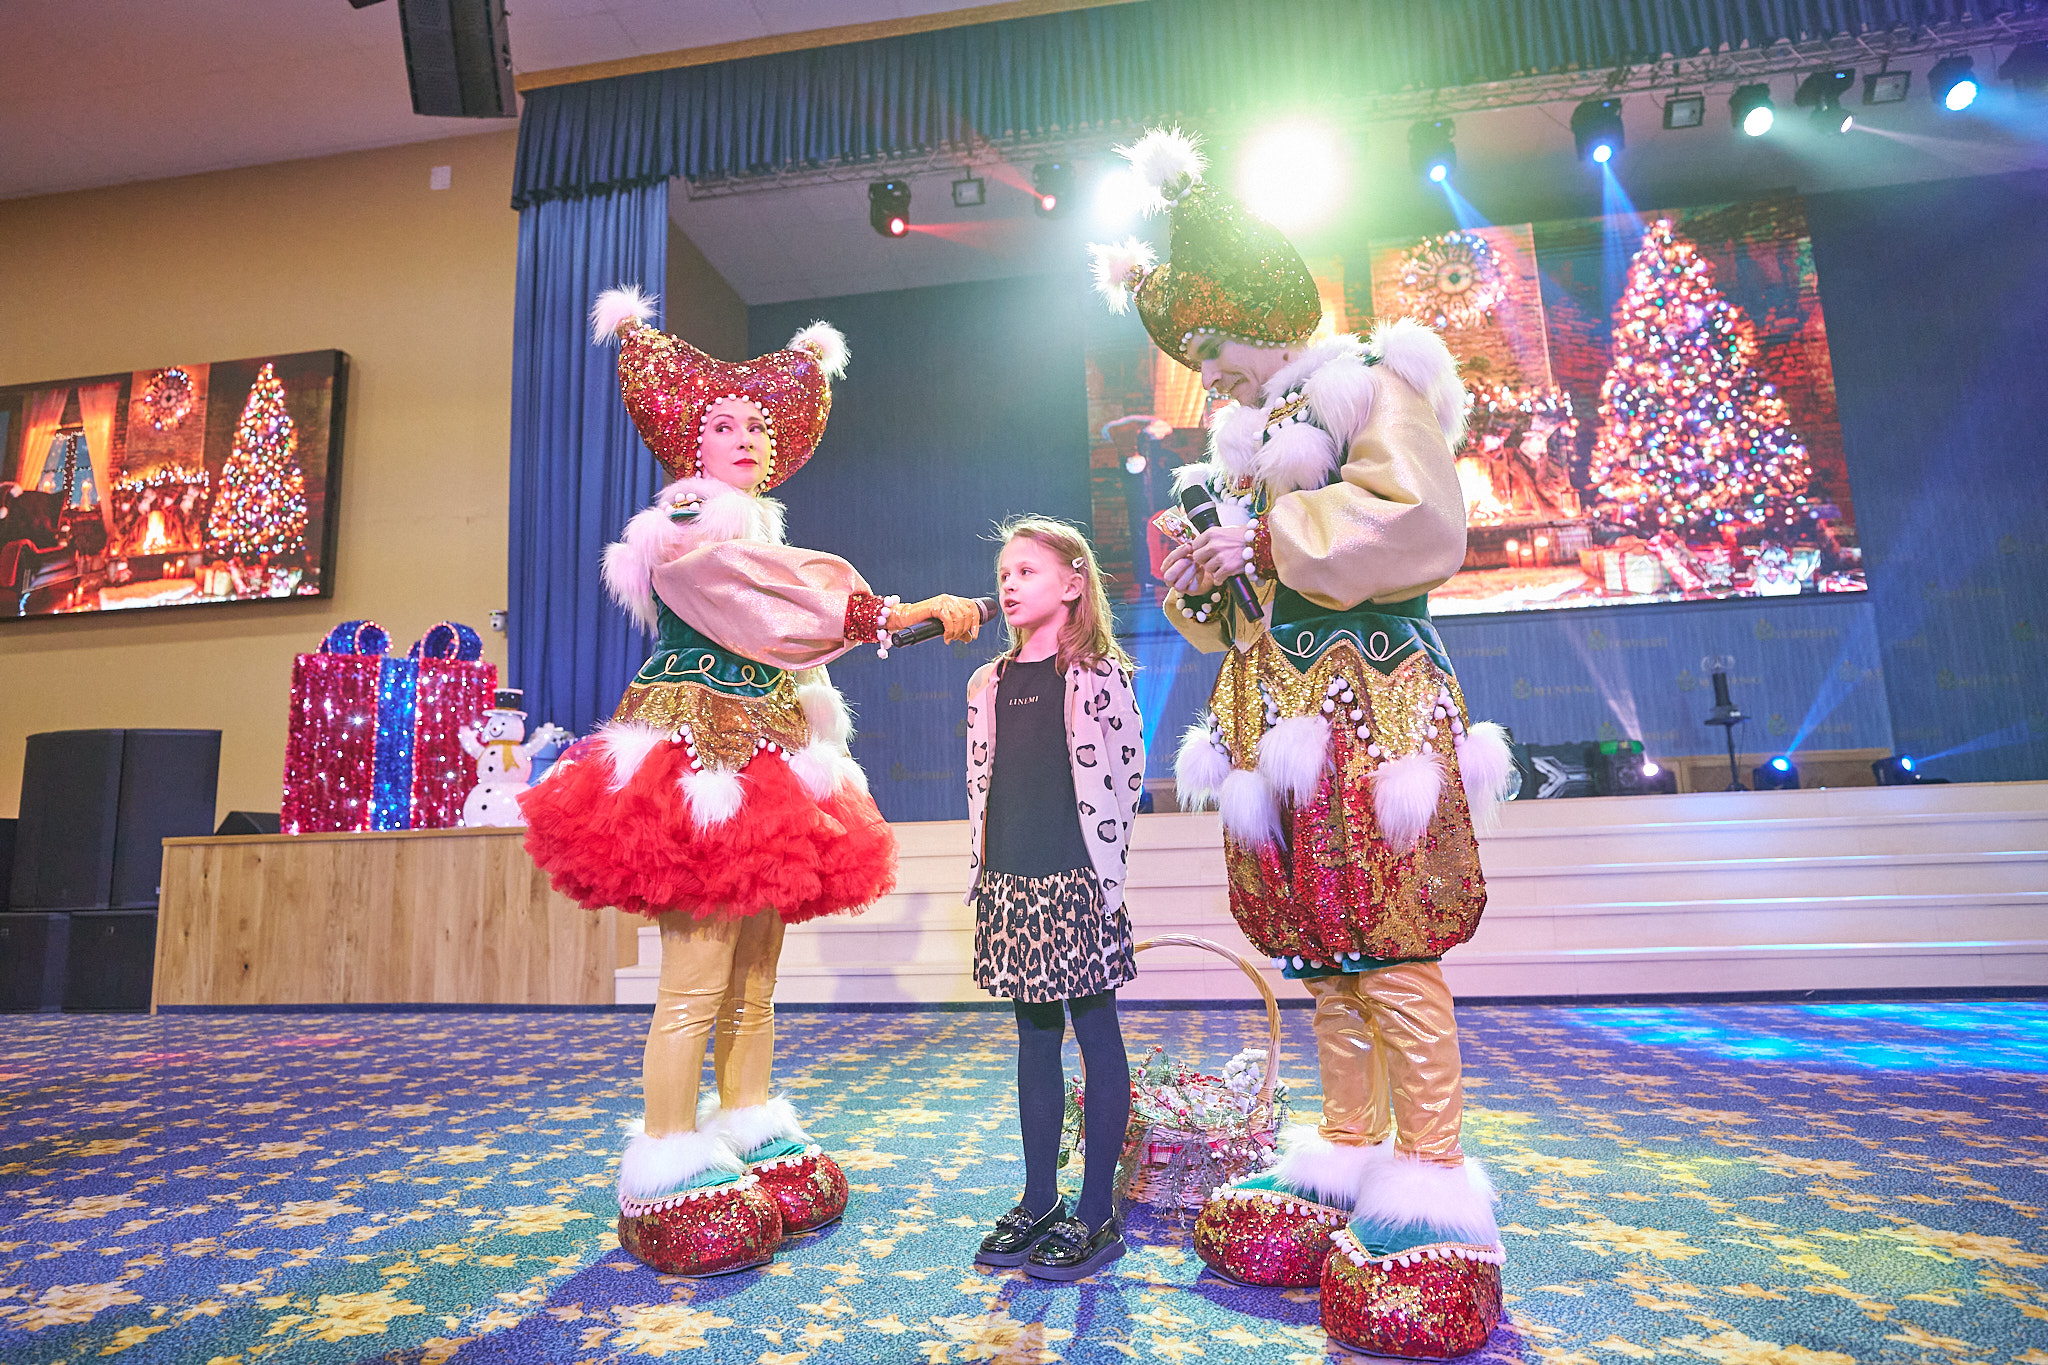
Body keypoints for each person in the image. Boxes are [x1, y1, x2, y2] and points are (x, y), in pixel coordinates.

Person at [1088, 131, 1514, 1358]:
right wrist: (1211, 572)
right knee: (1320, 950)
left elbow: (1422, 522)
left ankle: (1429, 1183)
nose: (1204, 374)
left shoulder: (1370, 385)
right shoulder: (1246, 440)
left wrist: (1267, 537)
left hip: (1371, 709)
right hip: (1278, 714)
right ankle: (1342, 1150)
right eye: (1192, 356)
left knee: (1388, 935)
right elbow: (1241, 611)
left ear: (1260, 318)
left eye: (1209, 347)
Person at [519, 288, 983, 1277]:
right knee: (695, 980)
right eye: (724, 425)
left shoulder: (756, 530)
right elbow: (767, 601)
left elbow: (784, 610)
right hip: (699, 764)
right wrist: (890, 614)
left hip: (764, 754)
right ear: (692, 445)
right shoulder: (689, 523)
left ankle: (746, 1121)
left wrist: (876, 622)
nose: (744, 439)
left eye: (758, 428)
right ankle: (666, 1157)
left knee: (757, 976)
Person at [961, 517, 1145, 1282]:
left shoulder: (1100, 675)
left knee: (1095, 1028)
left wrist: (1104, 878)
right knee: (1033, 1035)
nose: (1009, 584)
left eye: (1027, 571)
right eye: (1004, 572)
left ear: (1073, 583)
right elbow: (984, 784)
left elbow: (1125, 776)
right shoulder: (988, 682)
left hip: (1075, 881)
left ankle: (1096, 1211)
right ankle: (1041, 1197)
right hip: (1010, 879)